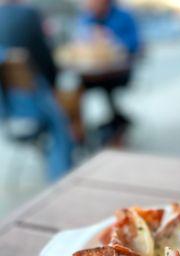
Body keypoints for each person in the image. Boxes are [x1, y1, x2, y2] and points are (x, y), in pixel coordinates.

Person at [0, 0, 74, 180]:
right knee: (63, 128)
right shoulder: (28, 14)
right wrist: (54, 83)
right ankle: (62, 179)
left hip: (10, 110)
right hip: (34, 107)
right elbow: (45, 57)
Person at [77, 0, 141, 134]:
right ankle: (79, 130)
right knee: (74, 87)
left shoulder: (124, 17)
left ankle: (116, 125)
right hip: (91, 73)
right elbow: (79, 39)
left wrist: (111, 40)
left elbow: (135, 44)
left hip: (118, 73)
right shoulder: (88, 18)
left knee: (108, 86)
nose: (90, 5)